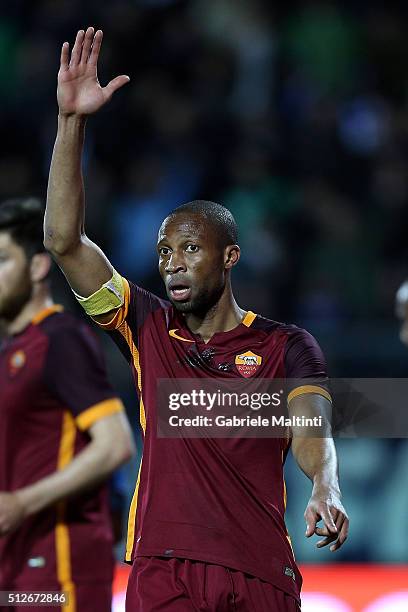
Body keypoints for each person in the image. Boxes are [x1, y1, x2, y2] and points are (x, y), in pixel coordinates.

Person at [45, 27, 349, 612]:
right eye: (164, 252)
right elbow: (64, 240)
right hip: (166, 569)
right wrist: (71, 123)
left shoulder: (286, 345)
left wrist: (325, 485)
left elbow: (313, 427)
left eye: (189, 249)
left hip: (259, 570)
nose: (172, 264)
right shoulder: (146, 327)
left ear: (229, 257)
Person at [0, 197, 135, 612]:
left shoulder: (60, 339)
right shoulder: (10, 352)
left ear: (38, 267)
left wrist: (22, 502)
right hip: (17, 561)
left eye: (2, 260)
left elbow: (115, 444)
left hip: (58, 562)